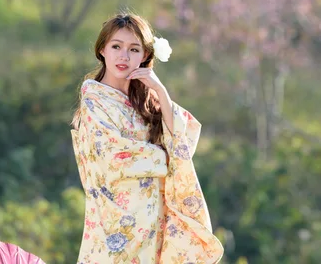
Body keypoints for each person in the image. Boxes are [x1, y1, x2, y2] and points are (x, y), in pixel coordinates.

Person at [70, 13, 224, 263]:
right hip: (117, 224)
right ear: (102, 50)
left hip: (153, 219)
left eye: (133, 49)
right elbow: (113, 156)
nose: (123, 56)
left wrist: (161, 92)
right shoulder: (94, 99)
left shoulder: (147, 100)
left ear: (144, 56)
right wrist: (166, 156)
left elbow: (184, 136)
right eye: (116, 46)